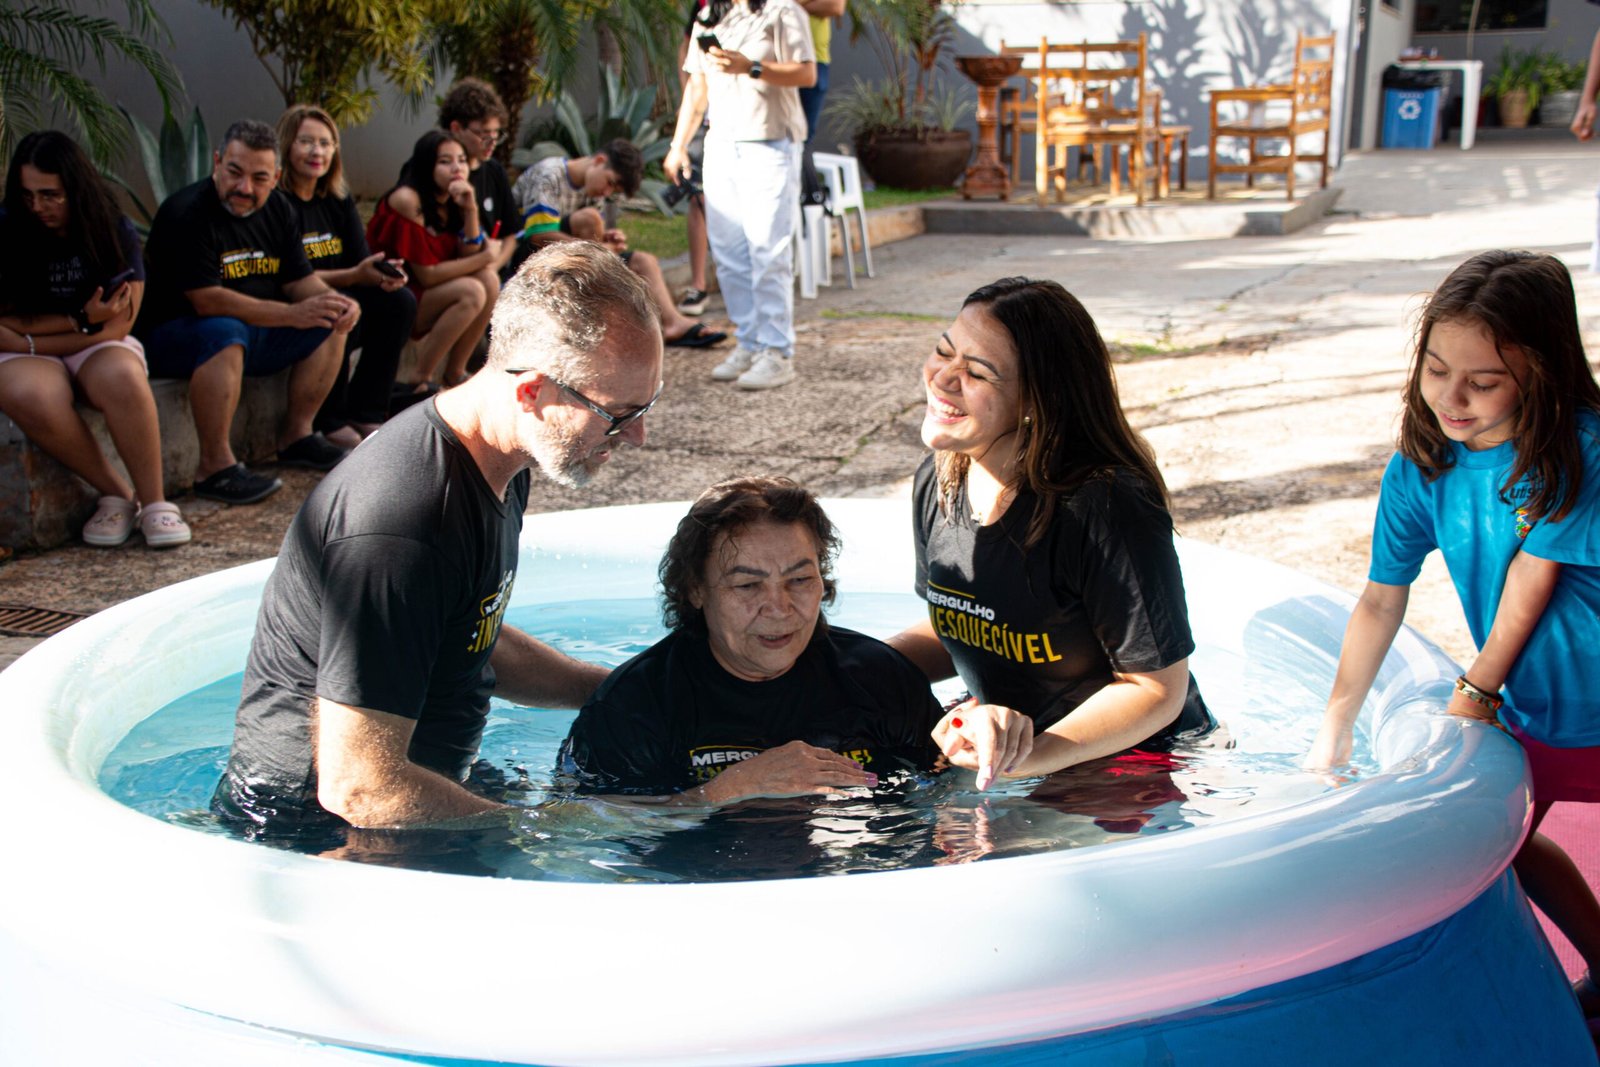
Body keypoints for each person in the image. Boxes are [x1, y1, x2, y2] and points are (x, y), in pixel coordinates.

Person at [211, 241, 665, 834]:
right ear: (531, 392)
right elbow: (360, 789)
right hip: (319, 834)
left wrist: (622, 691)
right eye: (619, 413)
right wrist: (554, 832)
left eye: (646, 405)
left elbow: (464, 634)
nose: (638, 437)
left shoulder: (504, 458)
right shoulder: (403, 522)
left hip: (422, 786)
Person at [1304, 250, 1600, 1017]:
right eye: (1436, 369)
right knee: (1495, 843)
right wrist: (1336, 723)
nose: (1452, 396)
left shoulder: (1583, 449)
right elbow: (1380, 600)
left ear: (1539, 372)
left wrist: (1476, 689)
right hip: (1538, 708)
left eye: (1484, 380)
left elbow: (1532, 580)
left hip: (1562, 693)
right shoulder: (1422, 468)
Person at [887, 277, 1216, 791]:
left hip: (1134, 759)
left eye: (977, 372)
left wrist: (1028, 759)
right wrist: (849, 666)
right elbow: (966, 625)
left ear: (1036, 400)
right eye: (944, 352)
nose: (943, 379)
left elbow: (1156, 691)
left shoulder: (1105, 506)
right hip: (1008, 741)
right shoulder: (939, 479)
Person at [560, 476, 943, 804]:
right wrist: (725, 791)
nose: (779, 608)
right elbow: (579, 822)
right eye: (747, 585)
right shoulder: (635, 706)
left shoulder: (881, 680)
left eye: (799, 580)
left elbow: (948, 787)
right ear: (696, 590)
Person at [136, 118, 357, 505]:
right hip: (175, 336)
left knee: (331, 316)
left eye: (259, 178)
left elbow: (298, 280)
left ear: (275, 178)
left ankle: (297, 435)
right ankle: (214, 467)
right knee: (225, 330)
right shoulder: (187, 212)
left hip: (251, 333)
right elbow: (207, 300)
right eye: (235, 172)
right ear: (217, 162)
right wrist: (291, 314)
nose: (244, 188)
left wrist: (334, 301)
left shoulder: (279, 209)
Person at [0, 130, 190, 548]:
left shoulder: (111, 228)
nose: (38, 207)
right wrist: (82, 321)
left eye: (51, 195)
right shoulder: (7, 227)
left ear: (76, 188)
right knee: (29, 393)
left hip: (77, 343)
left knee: (122, 376)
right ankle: (118, 494)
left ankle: (155, 504)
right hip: (38, 351)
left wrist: (34, 336)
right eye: (28, 195)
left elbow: (118, 326)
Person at [665, 0, 816, 391]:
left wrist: (751, 67)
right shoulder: (708, 18)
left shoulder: (782, 11)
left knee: (768, 251)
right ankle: (749, 342)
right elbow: (697, 88)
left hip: (771, 142)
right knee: (729, 254)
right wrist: (679, 145)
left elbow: (807, 73)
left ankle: (777, 352)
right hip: (721, 143)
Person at [275, 104, 418, 447]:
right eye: (306, 142)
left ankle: (367, 409)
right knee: (342, 304)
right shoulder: (278, 203)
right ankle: (329, 417)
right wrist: (355, 275)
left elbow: (360, 259)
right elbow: (291, 276)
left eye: (325, 143)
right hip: (295, 299)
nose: (317, 152)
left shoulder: (336, 199)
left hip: (346, 288)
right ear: (286, 146)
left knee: (399, 301)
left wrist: (381, 273)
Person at [512, 139, 726, 348]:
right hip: (527, 255)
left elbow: (589, 235)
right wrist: (596, 249)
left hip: (571, 254)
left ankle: (673, 323)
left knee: (644, 262)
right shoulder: (550, 175)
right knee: (589, 218)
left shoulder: (592, 187)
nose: (607, 192)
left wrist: (607, 239)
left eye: (613, 190)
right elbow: (538, 235)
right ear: (599, 161)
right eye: (610, 182)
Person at [366, 130, 499, 393]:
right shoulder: (407, 199)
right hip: (394, 294)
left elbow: (468, 254)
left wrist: (470, 209)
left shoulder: (452, 197)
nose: (457, 168)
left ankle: (455, 373)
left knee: (489, 280)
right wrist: (485, 257)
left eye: (462, 160)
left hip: (428, 291)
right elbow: (427, 275)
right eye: (445, 161)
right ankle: (420, 378)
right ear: (426, 165)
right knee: (472, 291)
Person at [438, 78, 520, 281]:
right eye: (483, 134)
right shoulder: (436, 172)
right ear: (456, 129)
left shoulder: (494, 171)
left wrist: (492, 266)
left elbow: (510, 236)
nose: (492, 142)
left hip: (491, 272)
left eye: (496, 134)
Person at [796, 0, 846, 144]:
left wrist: (791, 5)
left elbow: (836, 6)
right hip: (775, 60)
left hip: (816, 59)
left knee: (805, 136)